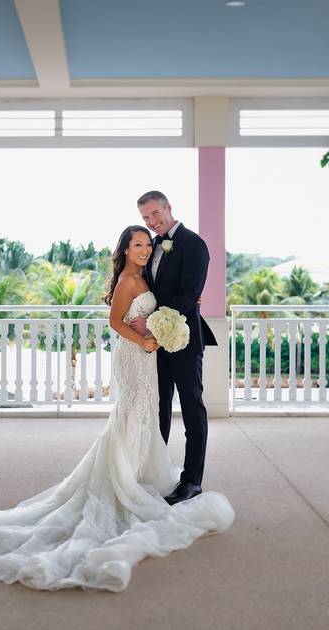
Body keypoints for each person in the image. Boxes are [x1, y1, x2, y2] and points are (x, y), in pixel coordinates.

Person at [0, 225, 234, 593]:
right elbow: (115, 322)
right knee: (131, 412)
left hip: (146, 357)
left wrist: (165, 322)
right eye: (137, 244)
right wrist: (145, 338)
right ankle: (121, 476)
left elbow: (169, 299)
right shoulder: (129, 280)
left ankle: (139, 469)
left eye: (146, 244)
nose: (144, 250)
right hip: (135, 356)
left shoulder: (145, 277)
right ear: (125, 250)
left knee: (145, 413)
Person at [131, 190, 219, 505]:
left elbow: (187, 295)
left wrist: (149, 321)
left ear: (169, 207)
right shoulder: (151, 245)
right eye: (145, 218)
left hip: (184, 338)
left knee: (192, 408)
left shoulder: (195, 244)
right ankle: (158, 471)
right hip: (157, 341)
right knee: (159, 407)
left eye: (155, 214)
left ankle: (192, 481)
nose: (152, 222)